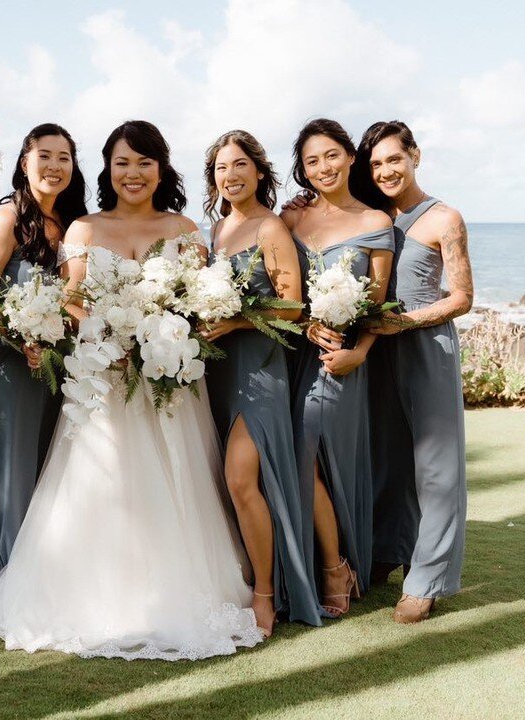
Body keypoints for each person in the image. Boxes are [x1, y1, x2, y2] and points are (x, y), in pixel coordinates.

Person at [0, 120, 263, 660]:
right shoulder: (83, 228)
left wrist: (159, 333)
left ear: (161, 169)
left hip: (167, 373)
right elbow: (74, 300)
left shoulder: (184, 229)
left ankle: (177, 591)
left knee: (177, 480)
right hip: (102, 374)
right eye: (123, 163)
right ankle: (98, 595)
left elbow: (194, 302)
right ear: (107, 167)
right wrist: (112, 332)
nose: (133, 173)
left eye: (145, 163)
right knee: (103, 482)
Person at [0, 124, 87, 598]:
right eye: (44, 155)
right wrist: (21, 334)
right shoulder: (7, 219)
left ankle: (39, 569)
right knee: (8, 460)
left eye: (64, 157)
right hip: (9, 359)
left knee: (45, 458)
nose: (54, 166)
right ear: (24, 163)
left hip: (54, 361)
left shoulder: (68, 223)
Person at [199, 129, 321, 634]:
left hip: (258, 371)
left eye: (240, 165)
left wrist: (233, 321)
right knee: (226, 487)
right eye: (222, 168)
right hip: (214, 371)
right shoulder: (214, 232)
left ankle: (266, 594)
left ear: (260, 172)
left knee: (241, 480)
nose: (231, 175)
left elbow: (293, 307)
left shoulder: (270, 228)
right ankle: (248, 576)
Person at [353, 120, 472, 624]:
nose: (384, 170)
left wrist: (407, 321)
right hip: (377, 349)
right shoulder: (370, 217)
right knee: (387, 457)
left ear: (415, 156)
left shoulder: (445, 218)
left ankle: (426, 579)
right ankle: (387, 552)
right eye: (375, 164)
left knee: (437, 469)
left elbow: (463, 298)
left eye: (392, 159)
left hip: (426, 348)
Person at [281, 118, 394, 616]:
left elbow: (380, 303)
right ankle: (314, 562)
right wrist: (301, 324)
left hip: (341, 359)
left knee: (313, 456)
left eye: (331, 155)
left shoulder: (376, 222)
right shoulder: (292, 221)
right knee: (291, 457)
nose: (323, 167)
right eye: (311, 161)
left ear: (350, 156)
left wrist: (360, 352)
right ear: (302, 171)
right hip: (289, 353)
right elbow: (278, 288)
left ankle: (334, 567)